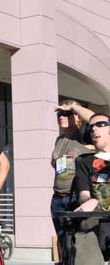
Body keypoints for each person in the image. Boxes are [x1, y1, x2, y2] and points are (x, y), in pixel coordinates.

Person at [69, 112, 110, 265]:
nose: (94, 129)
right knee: (86, 232)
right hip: (95, 219)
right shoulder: (84, 162)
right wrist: (89, 200)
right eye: (90, 126)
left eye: (100, 124)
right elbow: (83, 193)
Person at [51, 100, 94, 235]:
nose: (61, 117)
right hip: (58, 198)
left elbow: (95, 120)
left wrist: (73, 107)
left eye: (66, 114)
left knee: (79, 240)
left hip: (77, 197)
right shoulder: (59, 139)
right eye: (60, 115)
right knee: (63, 241)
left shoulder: (85, 135)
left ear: (77, 116)